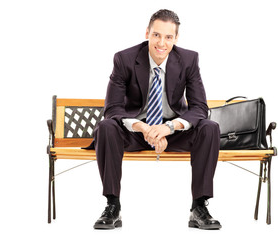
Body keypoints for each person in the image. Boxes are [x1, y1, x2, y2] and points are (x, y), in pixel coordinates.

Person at [91, 9, 221, 230]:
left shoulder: (189, 60)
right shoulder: (124, 59)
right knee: (106, 127)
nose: (162, 43)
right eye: (156, 35)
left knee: (210, 128)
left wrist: (169, 127)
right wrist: (143, 127)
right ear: (147, 34)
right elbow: (112, 108)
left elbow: (200, 108)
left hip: (173, 133)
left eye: (168, 37)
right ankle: (112, 205)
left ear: (176, 38)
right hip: (135, 132)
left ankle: (199, 206)